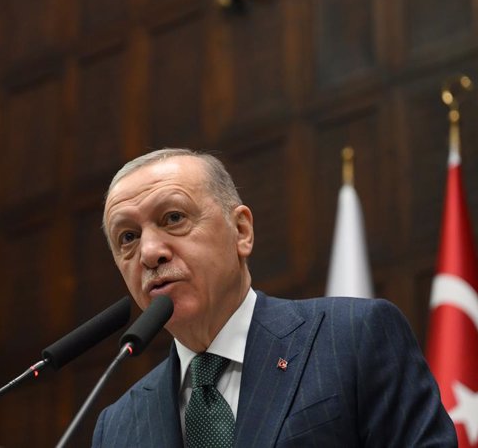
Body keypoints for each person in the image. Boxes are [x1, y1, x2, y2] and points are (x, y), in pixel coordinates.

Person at [92, 148, 456, 447]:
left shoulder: (354, 337)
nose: (150, 252)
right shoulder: (117, 426)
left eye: (173, 217)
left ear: (241, 231)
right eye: (128, 237)